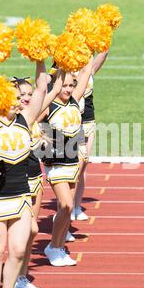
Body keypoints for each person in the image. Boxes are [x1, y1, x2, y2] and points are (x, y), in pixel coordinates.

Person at [0, 61, 48, 288]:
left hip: (21, 195)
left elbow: (41, 88)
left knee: (19, 250)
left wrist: (39, 58)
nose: (15, 101)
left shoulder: (25, 119)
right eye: (8, 97)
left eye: (16, 97)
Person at [11, 71, 65, 288]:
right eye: (20, 95)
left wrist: (59, 67)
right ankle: (9, 274)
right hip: (17, 181)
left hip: (35, 178)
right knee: (28, 230)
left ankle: (20, 278)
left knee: (31, 233)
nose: (25, 98)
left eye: (28, 94)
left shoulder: (34, 113)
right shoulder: (14, 118)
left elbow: (50, 90)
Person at [41, 57, 94, 267]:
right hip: (55, 163)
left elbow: (87, 70)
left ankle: (59, 247)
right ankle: (53, 247)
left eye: (72, 85)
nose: (69, 88)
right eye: (65, 85)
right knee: (66, 205)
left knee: (67, 209)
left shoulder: (74, 100)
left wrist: (90, 46)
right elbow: (31, 119)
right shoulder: (49, 106)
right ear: (56, 85)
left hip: (72, 162)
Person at [73, 51, 110, 221]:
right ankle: (66, 205)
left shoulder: (89, 70)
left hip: (87, 120)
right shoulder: (64, 73)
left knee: (84, 162)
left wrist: (104, 33)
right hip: (70, 123)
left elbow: (103, 53)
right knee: (75, 166)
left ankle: (76, 206)